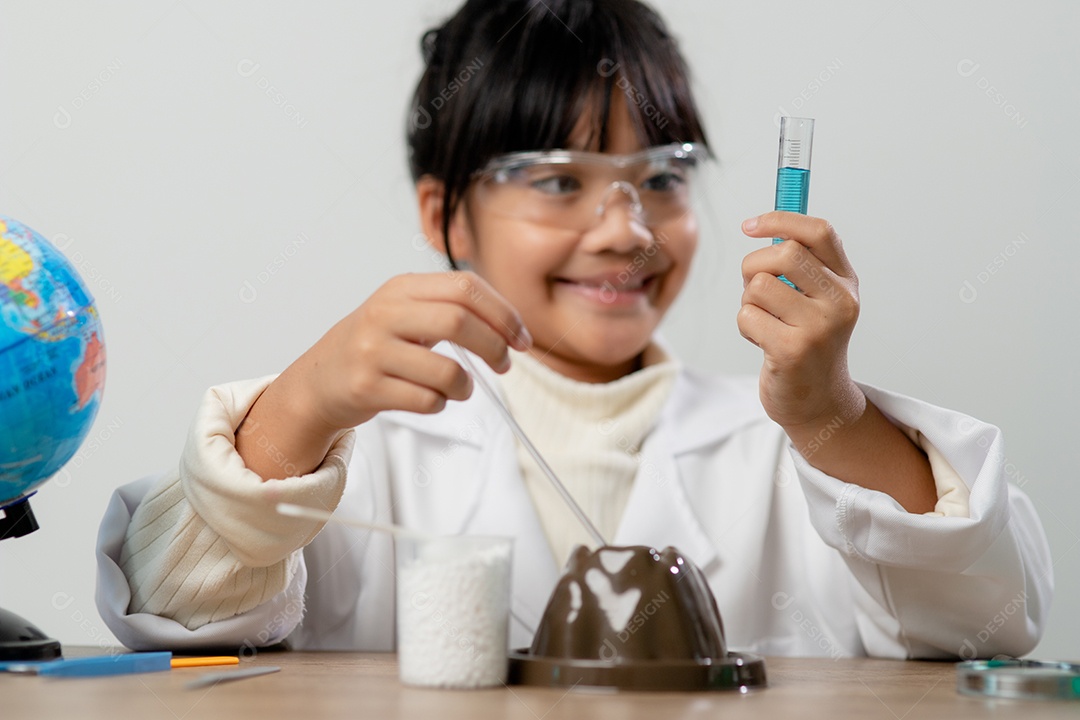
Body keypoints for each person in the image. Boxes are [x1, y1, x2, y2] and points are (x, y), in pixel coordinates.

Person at [96, 0, 1051, 659]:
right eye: (559, 181)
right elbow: (172, 612)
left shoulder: (793, 452)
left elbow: (994, 626)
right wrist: (295, 410)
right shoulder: (363, 453)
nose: (627, 233)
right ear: (444, 216)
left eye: (664, 180)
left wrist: (835, 418)